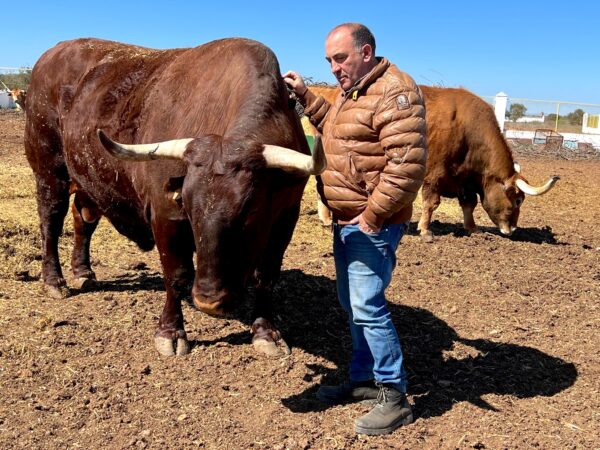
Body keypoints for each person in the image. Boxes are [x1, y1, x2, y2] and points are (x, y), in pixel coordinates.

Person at [283, 23, 427, 436]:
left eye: (340, 58)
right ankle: (362, 380)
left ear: (366, 52)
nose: (333, 68)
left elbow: (407, 166)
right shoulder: (356, 91)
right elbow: (340, 132)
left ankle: (394, 396)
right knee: (351, 304)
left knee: (367, 305)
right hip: (347, 221)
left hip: (369, 224)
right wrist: (306, 97)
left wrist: (373, 216)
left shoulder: (396, 92)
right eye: (328, 60)